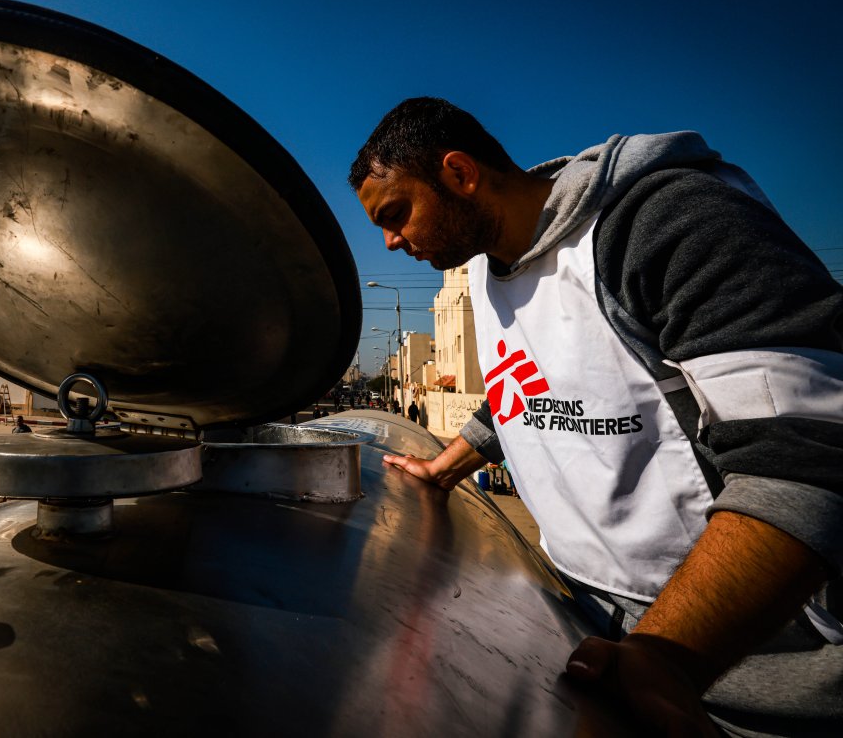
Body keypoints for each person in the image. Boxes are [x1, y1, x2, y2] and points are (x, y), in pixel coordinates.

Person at [350, 97, 843, 736]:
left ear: (459, 173)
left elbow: (807, 453)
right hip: (595, 629)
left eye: (396, 215)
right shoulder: (486, 273)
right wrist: (443, 467)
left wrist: (664, 655)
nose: (392, 242)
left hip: (745, 673)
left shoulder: (662, 220)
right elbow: (524, 389)